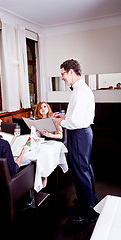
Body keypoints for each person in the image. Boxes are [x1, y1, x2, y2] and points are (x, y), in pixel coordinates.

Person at [54, 59, 98, 224]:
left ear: (71, 71)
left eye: (63, 74)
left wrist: (60, 122)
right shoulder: (81, 89)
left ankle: (88, 213)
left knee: (80, 171)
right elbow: (76, 117)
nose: (62, 78)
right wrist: (65, 117)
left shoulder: (80, 91)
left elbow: (75, 122)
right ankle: (90, 199)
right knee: (85, 168)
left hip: (79, 133)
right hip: (82, 133)